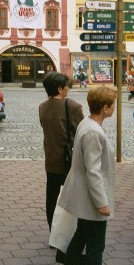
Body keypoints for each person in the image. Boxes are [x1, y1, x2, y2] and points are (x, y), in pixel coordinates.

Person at [57, 86, 117, 265]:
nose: (114, 108)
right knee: (95, 248)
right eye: (112, 105)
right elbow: (93, 171)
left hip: (85, 195)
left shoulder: (88, 123)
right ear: (105, 107)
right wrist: (102, 203)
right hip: (91, 199)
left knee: (80, 238)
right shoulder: (93, 131)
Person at [39, 72, 84, 230]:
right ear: (59, 89)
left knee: (51, 198)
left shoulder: (42, 107)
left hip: (51, 160)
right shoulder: (73, 106)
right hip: (69, 161)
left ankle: (54, 231)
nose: (68, 89)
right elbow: (82, 132)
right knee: (74, 197)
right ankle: (72, 232)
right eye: (67, 86)